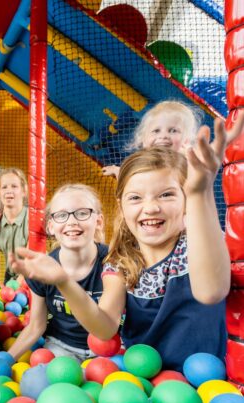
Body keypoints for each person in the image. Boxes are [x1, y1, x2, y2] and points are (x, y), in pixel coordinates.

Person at [12, 116, 244, 371]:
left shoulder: (197, 245)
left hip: (207, 383)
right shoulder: (120, 261)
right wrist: (64, 282)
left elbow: (211, 291)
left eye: (166, 195)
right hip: (141, 381)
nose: (151, 207)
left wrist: (200, 192)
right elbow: (104, 328)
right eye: (135, 198)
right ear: (121, 206)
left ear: (185, 200)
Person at [6, 184, 107, 362]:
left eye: (82, 213)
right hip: (61, 346)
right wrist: (6, 360)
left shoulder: (114, 262)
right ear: (51, 227)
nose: (72, 221)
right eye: (61, 215)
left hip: (110, 346)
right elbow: (36, 325)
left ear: (98, 222)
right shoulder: (43, 270)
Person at [102, 100, 200, 178]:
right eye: (156, 131)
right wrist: (118, 171)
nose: (163, 136)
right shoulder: (143, 165)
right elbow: (136, 183)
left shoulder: (187, 165)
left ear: (187, 139)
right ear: (143, 140)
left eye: (173, 131)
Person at [0, 167, 28, 284]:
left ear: (24, 191)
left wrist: (15, 287)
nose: (9, 190)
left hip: (33, 278)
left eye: (14, 186)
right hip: (10, 280)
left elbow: (31, 261)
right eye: (4, 187)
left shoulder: (32, 220)